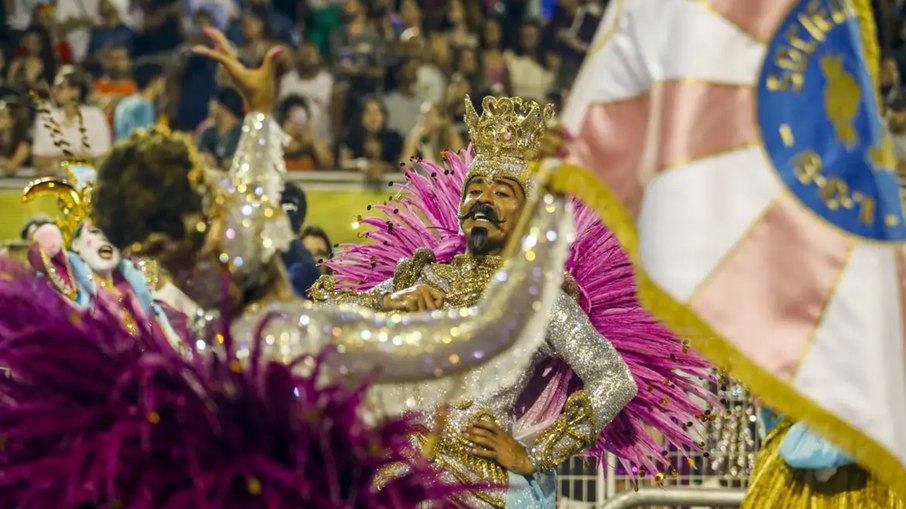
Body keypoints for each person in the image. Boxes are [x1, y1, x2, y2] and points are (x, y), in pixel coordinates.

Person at [91, 27, 579, 405]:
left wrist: (260, 113)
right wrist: (547, 226)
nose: (242, 208)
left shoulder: (205, 328)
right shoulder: (306, 340)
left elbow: (251, 193)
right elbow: (484, 335)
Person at [312, 95, 714, 508]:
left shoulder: (539, 302)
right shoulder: (420, 277)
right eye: (475, 190)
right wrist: (389, 304)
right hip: (395, 473)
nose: (484, 200)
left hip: (474, 485)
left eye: (503, 192)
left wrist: (535, 455)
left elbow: (614, 379)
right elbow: (318, 323)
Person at [32, 67, 111, 176]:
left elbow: (102, 157)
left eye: (60, 87)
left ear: (75, 91)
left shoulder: (95, 116)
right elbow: (38, 160)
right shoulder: (46, 116)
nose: (54, 91)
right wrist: (73, 157)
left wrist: (58, 159)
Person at [113, 62, 166, 140]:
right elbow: (143, 140)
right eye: (162, 80)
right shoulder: (144, 106)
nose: (164, 85)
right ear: (154, 81)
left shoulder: (124, 103)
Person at [197, 86, 244, 168]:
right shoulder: (209, 133)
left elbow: (240, 163)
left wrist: (219, 162)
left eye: (214, 102)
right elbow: (198, 155)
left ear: (224, 107)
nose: (209, 105)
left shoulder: (242, 134)